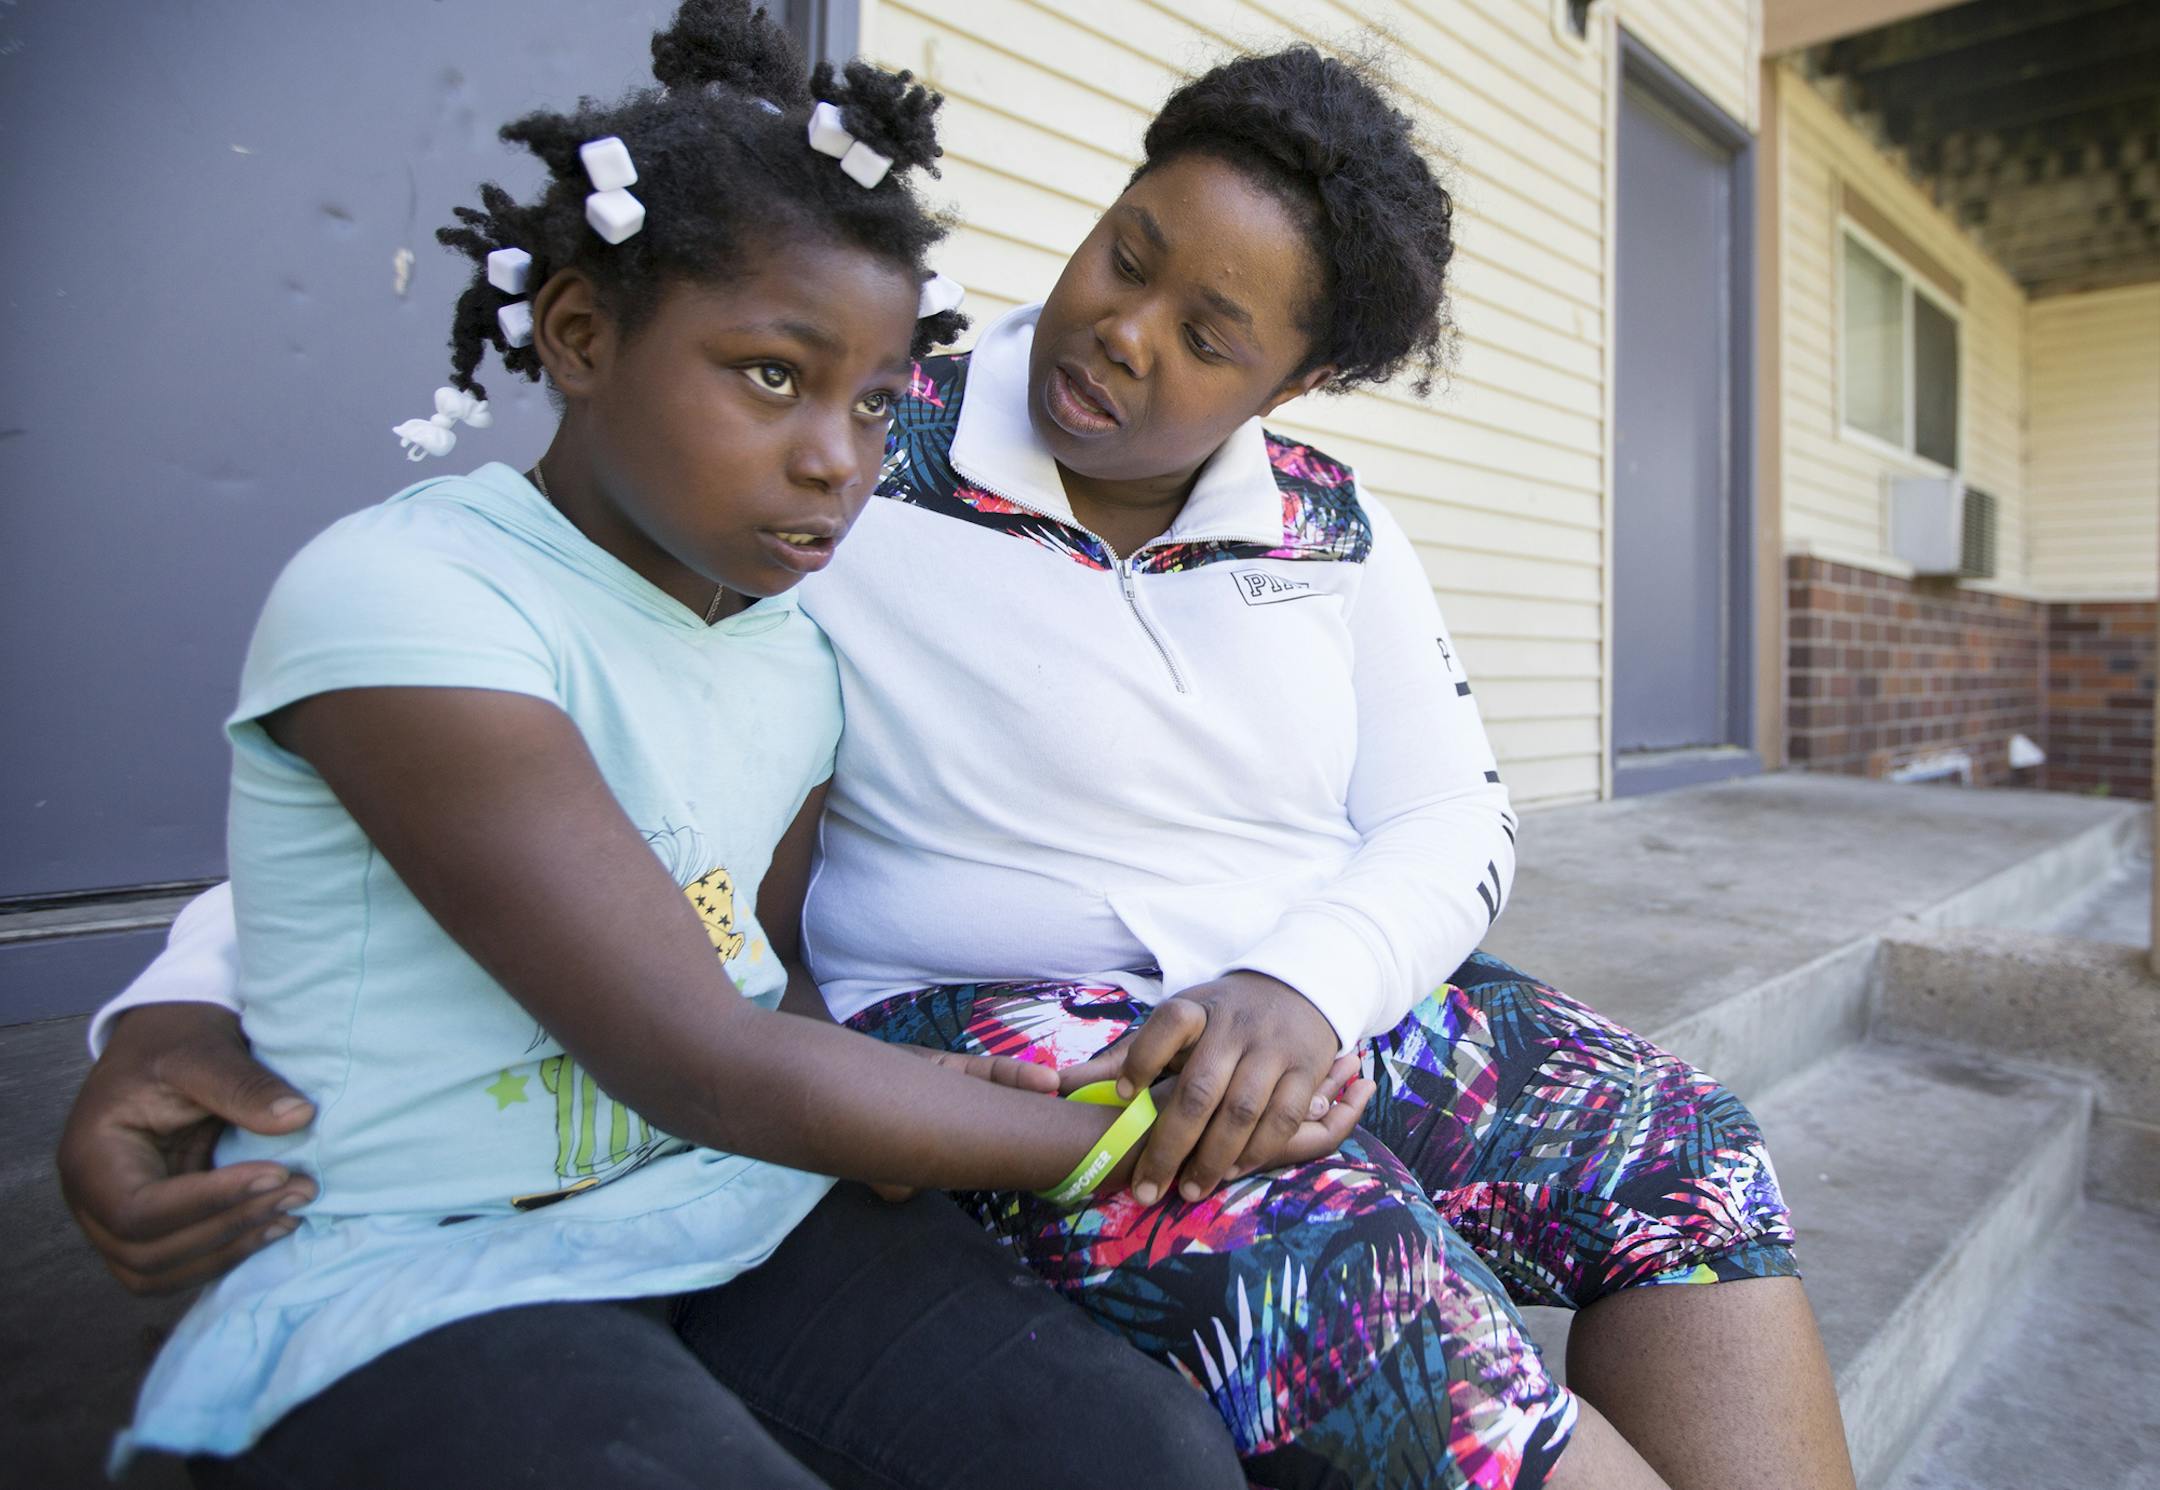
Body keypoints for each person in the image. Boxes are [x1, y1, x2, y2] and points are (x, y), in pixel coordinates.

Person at [64, 37, 1858, 1490]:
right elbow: (482, 732)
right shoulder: (846, 452)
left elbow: (1449, 814)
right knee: (1348, 1270)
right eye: (1125, 251)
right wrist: (170, 1001)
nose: (1120, 329)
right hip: (984, 1013)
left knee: (1677, 1146)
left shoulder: (1330, 529)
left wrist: (1308, 984)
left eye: (1207, 336)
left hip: (1296, 987)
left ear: (1288, 389)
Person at [74, 4, 1316, 1485]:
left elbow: (756, 969)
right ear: (584, 334)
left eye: (871, 401)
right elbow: (700, 1051)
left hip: (724, 1194)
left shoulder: (794, 652)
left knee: (1145, 1458)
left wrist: (940, 1099)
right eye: (774, 377)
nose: (836, 461)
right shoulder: (407, 592)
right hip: (417, 1254)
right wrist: (1123, 1132)